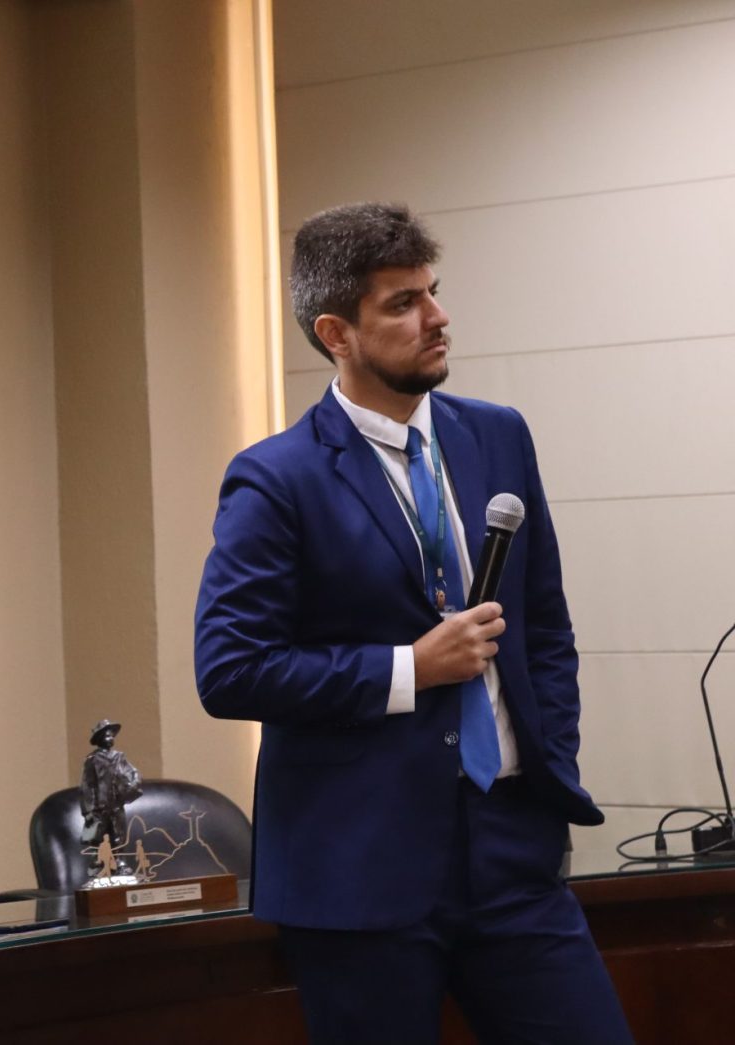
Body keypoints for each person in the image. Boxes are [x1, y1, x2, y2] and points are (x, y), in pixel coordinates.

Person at [193, 204, 632, 1042]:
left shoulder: (498, 436)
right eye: (402, 303)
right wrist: (409, 668)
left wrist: (550, 768)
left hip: (512, 848)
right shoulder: (276, 478)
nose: (438, 317)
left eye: (432, 291)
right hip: (359, 867)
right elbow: (230, 669)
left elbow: (544, 627)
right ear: (337, 333)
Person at [80, 719, 142, 878]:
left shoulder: (119, 757)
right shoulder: (92, 760)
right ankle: (98, 862)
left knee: (119, 833)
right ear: (100, 739)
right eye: (107, 736)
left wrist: (134, 783)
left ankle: (120, 861)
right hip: (100, 806)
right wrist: (88, 811)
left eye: (112, 736)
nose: (110, 739)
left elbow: (132, 772)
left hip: (116, 803)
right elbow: (87, 785)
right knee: (99, 835)